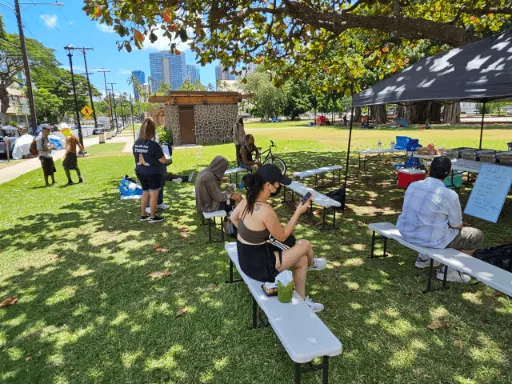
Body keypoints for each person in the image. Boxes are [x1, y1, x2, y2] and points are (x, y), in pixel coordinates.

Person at [230, 164, 327, 312]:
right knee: (305, 244)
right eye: (277, 183)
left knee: (301, 259)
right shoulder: (266, 211)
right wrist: (298, 212)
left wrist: (249, 235)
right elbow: (282, 236)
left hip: (246, 261)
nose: (279, 186)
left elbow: (233, 218)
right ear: (268, 185)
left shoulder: (246, 200)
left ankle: (302, 302)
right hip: (260, 268)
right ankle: (312, 263)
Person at [397, 156, 484, 283]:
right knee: (476, 235)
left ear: (429, 169)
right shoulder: (450, 195)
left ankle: (423, 259)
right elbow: (456, 225)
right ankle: (451, 271)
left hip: (406, 232)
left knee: (430, 223)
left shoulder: (413, 185)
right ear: (449, 173)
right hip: (429, 239)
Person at [133, 118, 169, 223]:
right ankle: (153, 216)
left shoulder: (136, 143)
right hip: (153, 173)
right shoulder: (154, 145)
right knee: (154, 194)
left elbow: (137, 157)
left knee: (145, 192)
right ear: (152, 131)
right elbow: (163, 160)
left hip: (140, 171)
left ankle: (143, 215)